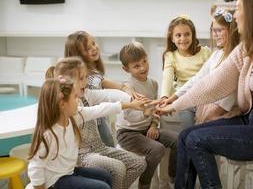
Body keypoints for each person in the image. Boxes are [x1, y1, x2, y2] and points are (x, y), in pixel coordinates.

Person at [157, 0, 253, 188]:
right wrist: (175, 104)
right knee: (185, 136)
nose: (234, 16)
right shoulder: (247, 49)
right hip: (251, 119)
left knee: (196, 139)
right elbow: (213, 82)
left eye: (239, 9)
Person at [46, 57, 147, 189]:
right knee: (118, 168)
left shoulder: (86, 94)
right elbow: (98, 110)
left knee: (139, 163)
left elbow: (108, 95)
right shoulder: (68, 108)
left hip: (99, 147)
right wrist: (130, 104)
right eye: (82, 78)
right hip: (83, 155)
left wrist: (133, 100)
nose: (86, 81)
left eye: (86, 77)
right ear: (66, 82)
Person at [28, 78, 112, 189]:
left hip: (68, 172)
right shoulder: (47, 134)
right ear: (62, 104)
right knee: (102, 187)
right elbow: (35, 167)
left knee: (106, 176)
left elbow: (100, 109)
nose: (78, 100)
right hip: (54, 182)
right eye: (75, 97)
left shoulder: (71, 119)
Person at [160, 6, 240, 124]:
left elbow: (230, 91)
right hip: (202, 99)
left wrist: (215, 111)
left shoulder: (234, 55)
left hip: (221, 108)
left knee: (190, 134)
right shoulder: (216, 54)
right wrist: (171, 98)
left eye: (219, 30)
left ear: (231, 29)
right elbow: (198, 79)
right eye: (213, 30)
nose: (215, 35)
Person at [116, 42, 178, 189]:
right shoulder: (127, 87)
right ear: (126, 69)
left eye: (144, 61)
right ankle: (144, 184)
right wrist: (145, 114)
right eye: (136, 66)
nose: (143, 67)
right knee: (157, 149)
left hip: (147, 129)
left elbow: (156, 109)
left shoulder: (153, 83)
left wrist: (154, 124)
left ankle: (173, 178)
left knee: (179, 140)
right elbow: (129, 117)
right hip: (128, 133)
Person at [65, 31, 138, 147]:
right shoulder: (90, 76)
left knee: (107, 144)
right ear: (78, 55)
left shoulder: (93, 72)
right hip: (93, 121)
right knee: (107, 144)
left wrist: (127, 89)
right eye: (87, 49)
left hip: (99, 117)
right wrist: (126, 91)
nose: (94, 49)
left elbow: (119, 86)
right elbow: (114, 86)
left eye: (93, 44)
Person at [160, 15, 211, 129]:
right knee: (189, 131)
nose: (183, 39)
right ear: (172, 38)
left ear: (193, 35)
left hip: (204, 98)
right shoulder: (170, 56)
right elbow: (167, 77)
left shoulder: (205, 52)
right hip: (185, 99)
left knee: (203, 131)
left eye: (187, 34)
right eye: (178, 35)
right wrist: (164, 96)